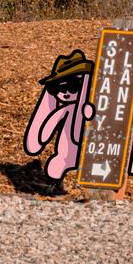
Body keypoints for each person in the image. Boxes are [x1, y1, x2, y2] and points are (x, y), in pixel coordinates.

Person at [24, 50, 93, 181]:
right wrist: (41, 137)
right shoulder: (65, 109)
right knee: (59, 163)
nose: (65, 93)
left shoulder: (86, 106)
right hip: (65, 153)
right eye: (58, 89)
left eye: (73, 87)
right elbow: (50, 124)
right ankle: (64, 160)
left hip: (88, 150)